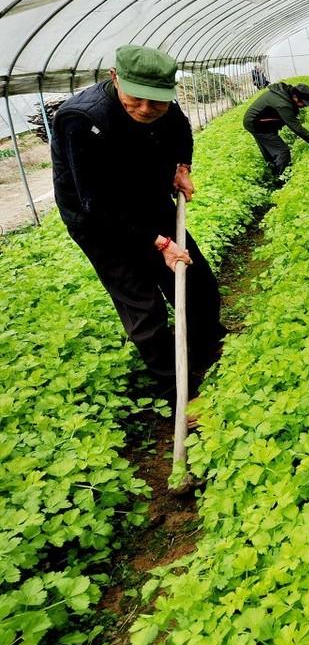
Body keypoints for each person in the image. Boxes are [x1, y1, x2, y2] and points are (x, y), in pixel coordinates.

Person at [51, 44, 225, 408]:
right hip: (99, 221)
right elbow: (95, 203)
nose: (147, 109)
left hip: (148, 202)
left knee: (198, 283)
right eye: (137, 99)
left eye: (157, 102)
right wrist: (159, 244)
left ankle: (210, 349)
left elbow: (181, 132)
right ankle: (177, 392)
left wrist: (182, 166)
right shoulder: (82, 118)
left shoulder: (166, 107)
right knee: (144, 307)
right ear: (115, 78)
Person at [242, 80, 309, 180]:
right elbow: (297, 128)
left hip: (263, 121)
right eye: (304, 103)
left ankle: (272, 171)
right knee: (282, 152)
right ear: (295, 98)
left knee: (271, 148)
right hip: (256, 123)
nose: (304, 106)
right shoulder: (283, 104)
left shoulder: (285, 94)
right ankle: (280, 179)